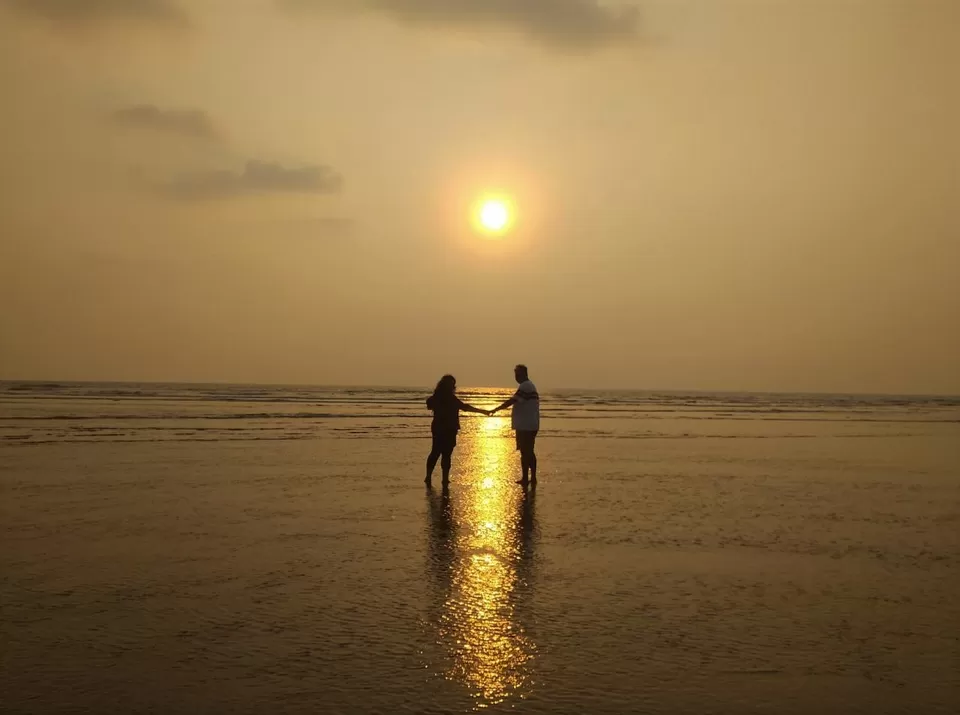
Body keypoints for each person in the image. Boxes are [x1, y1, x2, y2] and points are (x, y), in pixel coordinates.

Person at [425, 375, 490, 485]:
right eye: (450, 384)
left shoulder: (445, 397)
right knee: (437, 452)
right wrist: (483, 411)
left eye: (452, 384)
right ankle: (431, 476)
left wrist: (483, 411)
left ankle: (442, 478)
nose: (452, 386)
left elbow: (465, 407)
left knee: (444, 454)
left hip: (448, 428)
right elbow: (465, 407)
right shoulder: (444, 397)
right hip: (442, 428)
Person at [491, 364, 540, 486]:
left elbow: (512, 401)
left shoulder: (525, 386)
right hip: (530, 424)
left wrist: (496, 409)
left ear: (523, 374)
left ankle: (527, 478)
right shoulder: (529, 386)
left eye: (517, 374)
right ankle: (531, 477)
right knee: (528, 451)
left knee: (526, 451)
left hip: (526, 425)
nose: (516, 377)